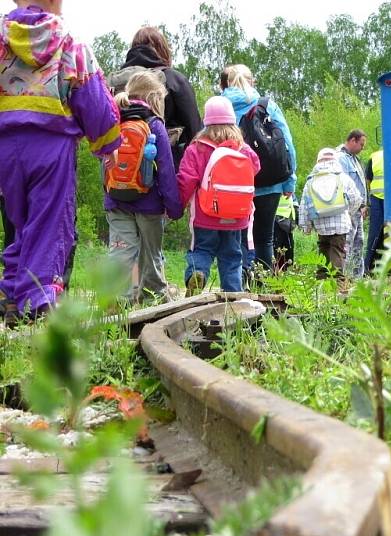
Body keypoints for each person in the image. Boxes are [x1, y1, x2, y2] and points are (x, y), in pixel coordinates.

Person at [0, 0, 121, 325]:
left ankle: (11, 290)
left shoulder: (1, 39)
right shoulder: (70, 42)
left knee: (19, 219)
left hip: (5, 146)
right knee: (50, 221)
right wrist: (106, 142)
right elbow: (92, 98)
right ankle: (37, 300)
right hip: (51, 146)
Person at [104, 71, 183, 304]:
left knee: (120, 251)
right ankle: (153, 297)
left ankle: (118, 300)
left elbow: (105, 162)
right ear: (154, 98)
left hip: (117, 201)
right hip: (149, 205)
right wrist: (174, 207)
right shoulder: (154, 125)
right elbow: (166, 171)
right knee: (151, 254)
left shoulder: (114, 121)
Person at [220, 64, 296, 279]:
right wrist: (290, 180)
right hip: (270, 181)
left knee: (238, 235)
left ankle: (239, 283)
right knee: (265, 237)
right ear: (251, 81)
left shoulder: (221, 106)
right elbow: (286, 142)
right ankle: (264, 286)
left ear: (226, 83)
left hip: (234, 183)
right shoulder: (267, 105)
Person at [177, 96, 260, 295]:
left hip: (205, 216)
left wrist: (178, 205)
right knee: (232, 256)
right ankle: (233, 295)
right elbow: (256, 167)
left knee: (201, 250)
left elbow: (186, 179)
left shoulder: (196, 148)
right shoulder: (242, 148)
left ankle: (198, 274)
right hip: (236, 216)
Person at [117, 27, 202, 168]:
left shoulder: (117, 81)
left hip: (120, 169)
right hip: (166, 169)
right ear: (162, 49)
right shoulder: (174, 79)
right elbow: (195, 130)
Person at [299, 148, 360, 280]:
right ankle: (338, 281)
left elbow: (304, 206)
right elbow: (356, 198)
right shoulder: (343, 178)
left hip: (321, 223)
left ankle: (322, 279)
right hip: (340, 223)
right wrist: (349, 212)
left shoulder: (311, 180)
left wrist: (306, 226)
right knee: (337, 250)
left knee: (323, 248)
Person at [336, 130, 367, 278]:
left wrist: (363, 205)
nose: (363, 148)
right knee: (347, 244)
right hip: (349, 209)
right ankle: (346, 276)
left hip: (358, 209)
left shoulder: (353, 159)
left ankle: (357, 278)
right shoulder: (341, 158)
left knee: (358, 243)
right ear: (352, 140)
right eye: (361, 144)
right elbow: (344, 185)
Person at [364, 148, 385, 273]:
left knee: (375, 234)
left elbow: (368, 180)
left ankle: (368, 267)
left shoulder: (375, 157)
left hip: (376, 199)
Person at [273, 193, 296, 272]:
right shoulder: (288, 182)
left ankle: (283, 272)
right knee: (279, 248)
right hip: (280, 218)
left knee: (284, 248)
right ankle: (278, 272)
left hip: (285, 219)